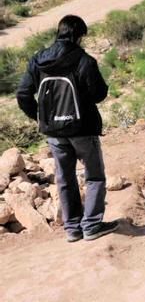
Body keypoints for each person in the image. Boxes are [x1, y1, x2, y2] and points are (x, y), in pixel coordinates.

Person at [15, 15, 115, 242]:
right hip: (82, 129)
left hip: (54, 132)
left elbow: (22, 93)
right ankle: (91, 225)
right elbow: (99, 94)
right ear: (78, 35)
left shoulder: (38, 59)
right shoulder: (84, 60)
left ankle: (72, 229)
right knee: (95, 177)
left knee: (65, 178)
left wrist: (41, 117)